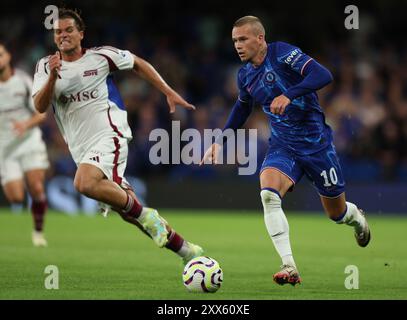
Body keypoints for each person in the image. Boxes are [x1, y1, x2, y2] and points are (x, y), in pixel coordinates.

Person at [201, 16, 371, 286]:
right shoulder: (245, 74)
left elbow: (323, 75)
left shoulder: (282, 53)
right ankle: (289, 265)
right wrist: (220, 140)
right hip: (283, 145)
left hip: (317, 145)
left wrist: (289, 94)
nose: (238, 45)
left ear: (260, 38)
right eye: (234, 40)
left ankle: (357, 219)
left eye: (243, 39)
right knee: (268, 194)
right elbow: (243, 107)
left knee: (336, 215)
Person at [32, 8, 203, 264]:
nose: (63, 35)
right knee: (127, 209)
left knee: (84, 183)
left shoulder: (100, 57)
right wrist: (53, 79)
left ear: (81, 34)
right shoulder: (46, 66)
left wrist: (167, 91)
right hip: (81, 147)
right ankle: (185, 250)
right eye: (58, 32)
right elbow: (40, 105)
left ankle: (148, 215)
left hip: (110, 132)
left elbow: (137, 63)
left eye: (69, 30)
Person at [0, 41, 49, 247]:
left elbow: (42, 113)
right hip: (4, 148)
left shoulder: (23, 81)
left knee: (37, 188)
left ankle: (38, 233)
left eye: (0, 54)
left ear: (8, 56)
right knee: (16, 198)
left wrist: (25, 124)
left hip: (29, 141)